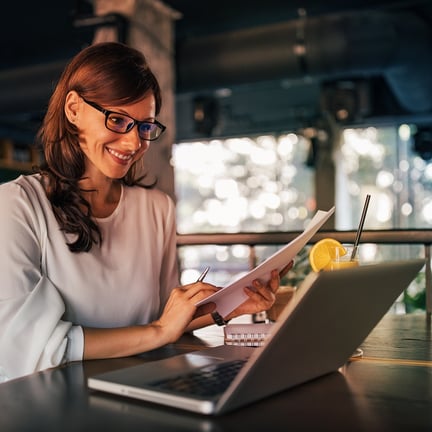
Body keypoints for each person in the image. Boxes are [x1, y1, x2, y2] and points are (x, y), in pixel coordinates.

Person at [0, 42, 289, 381]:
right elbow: (29, 345)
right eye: (118, 120)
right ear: (74, 109)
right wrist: (158, 332)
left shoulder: (157, 209)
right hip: (50, 400)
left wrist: (230, 307)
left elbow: (166, 320)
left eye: (144, 126)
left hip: (142, 386)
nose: (133, 143)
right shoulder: (17, 205)